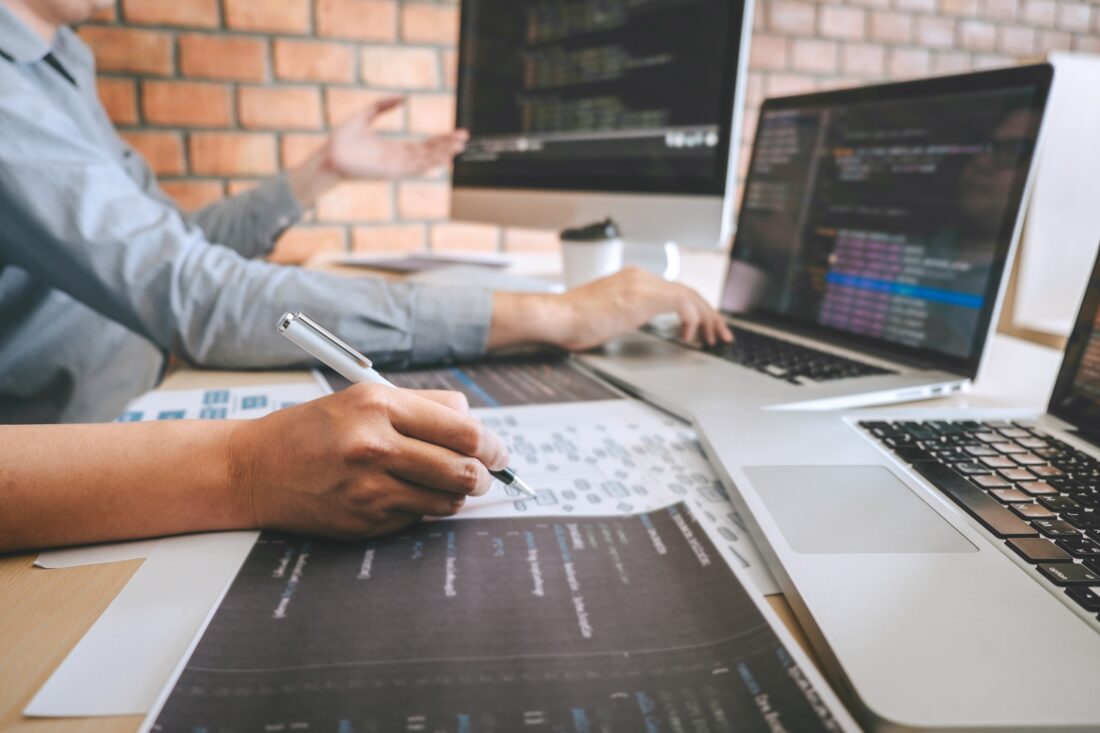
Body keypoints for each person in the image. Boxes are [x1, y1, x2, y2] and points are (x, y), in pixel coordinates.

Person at [0, 0, 733, 552]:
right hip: (72, 453)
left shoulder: (56, 66)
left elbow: (167, 250)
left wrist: (319, 175)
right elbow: (193, 291)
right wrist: (552, 315)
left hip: (130, 414)